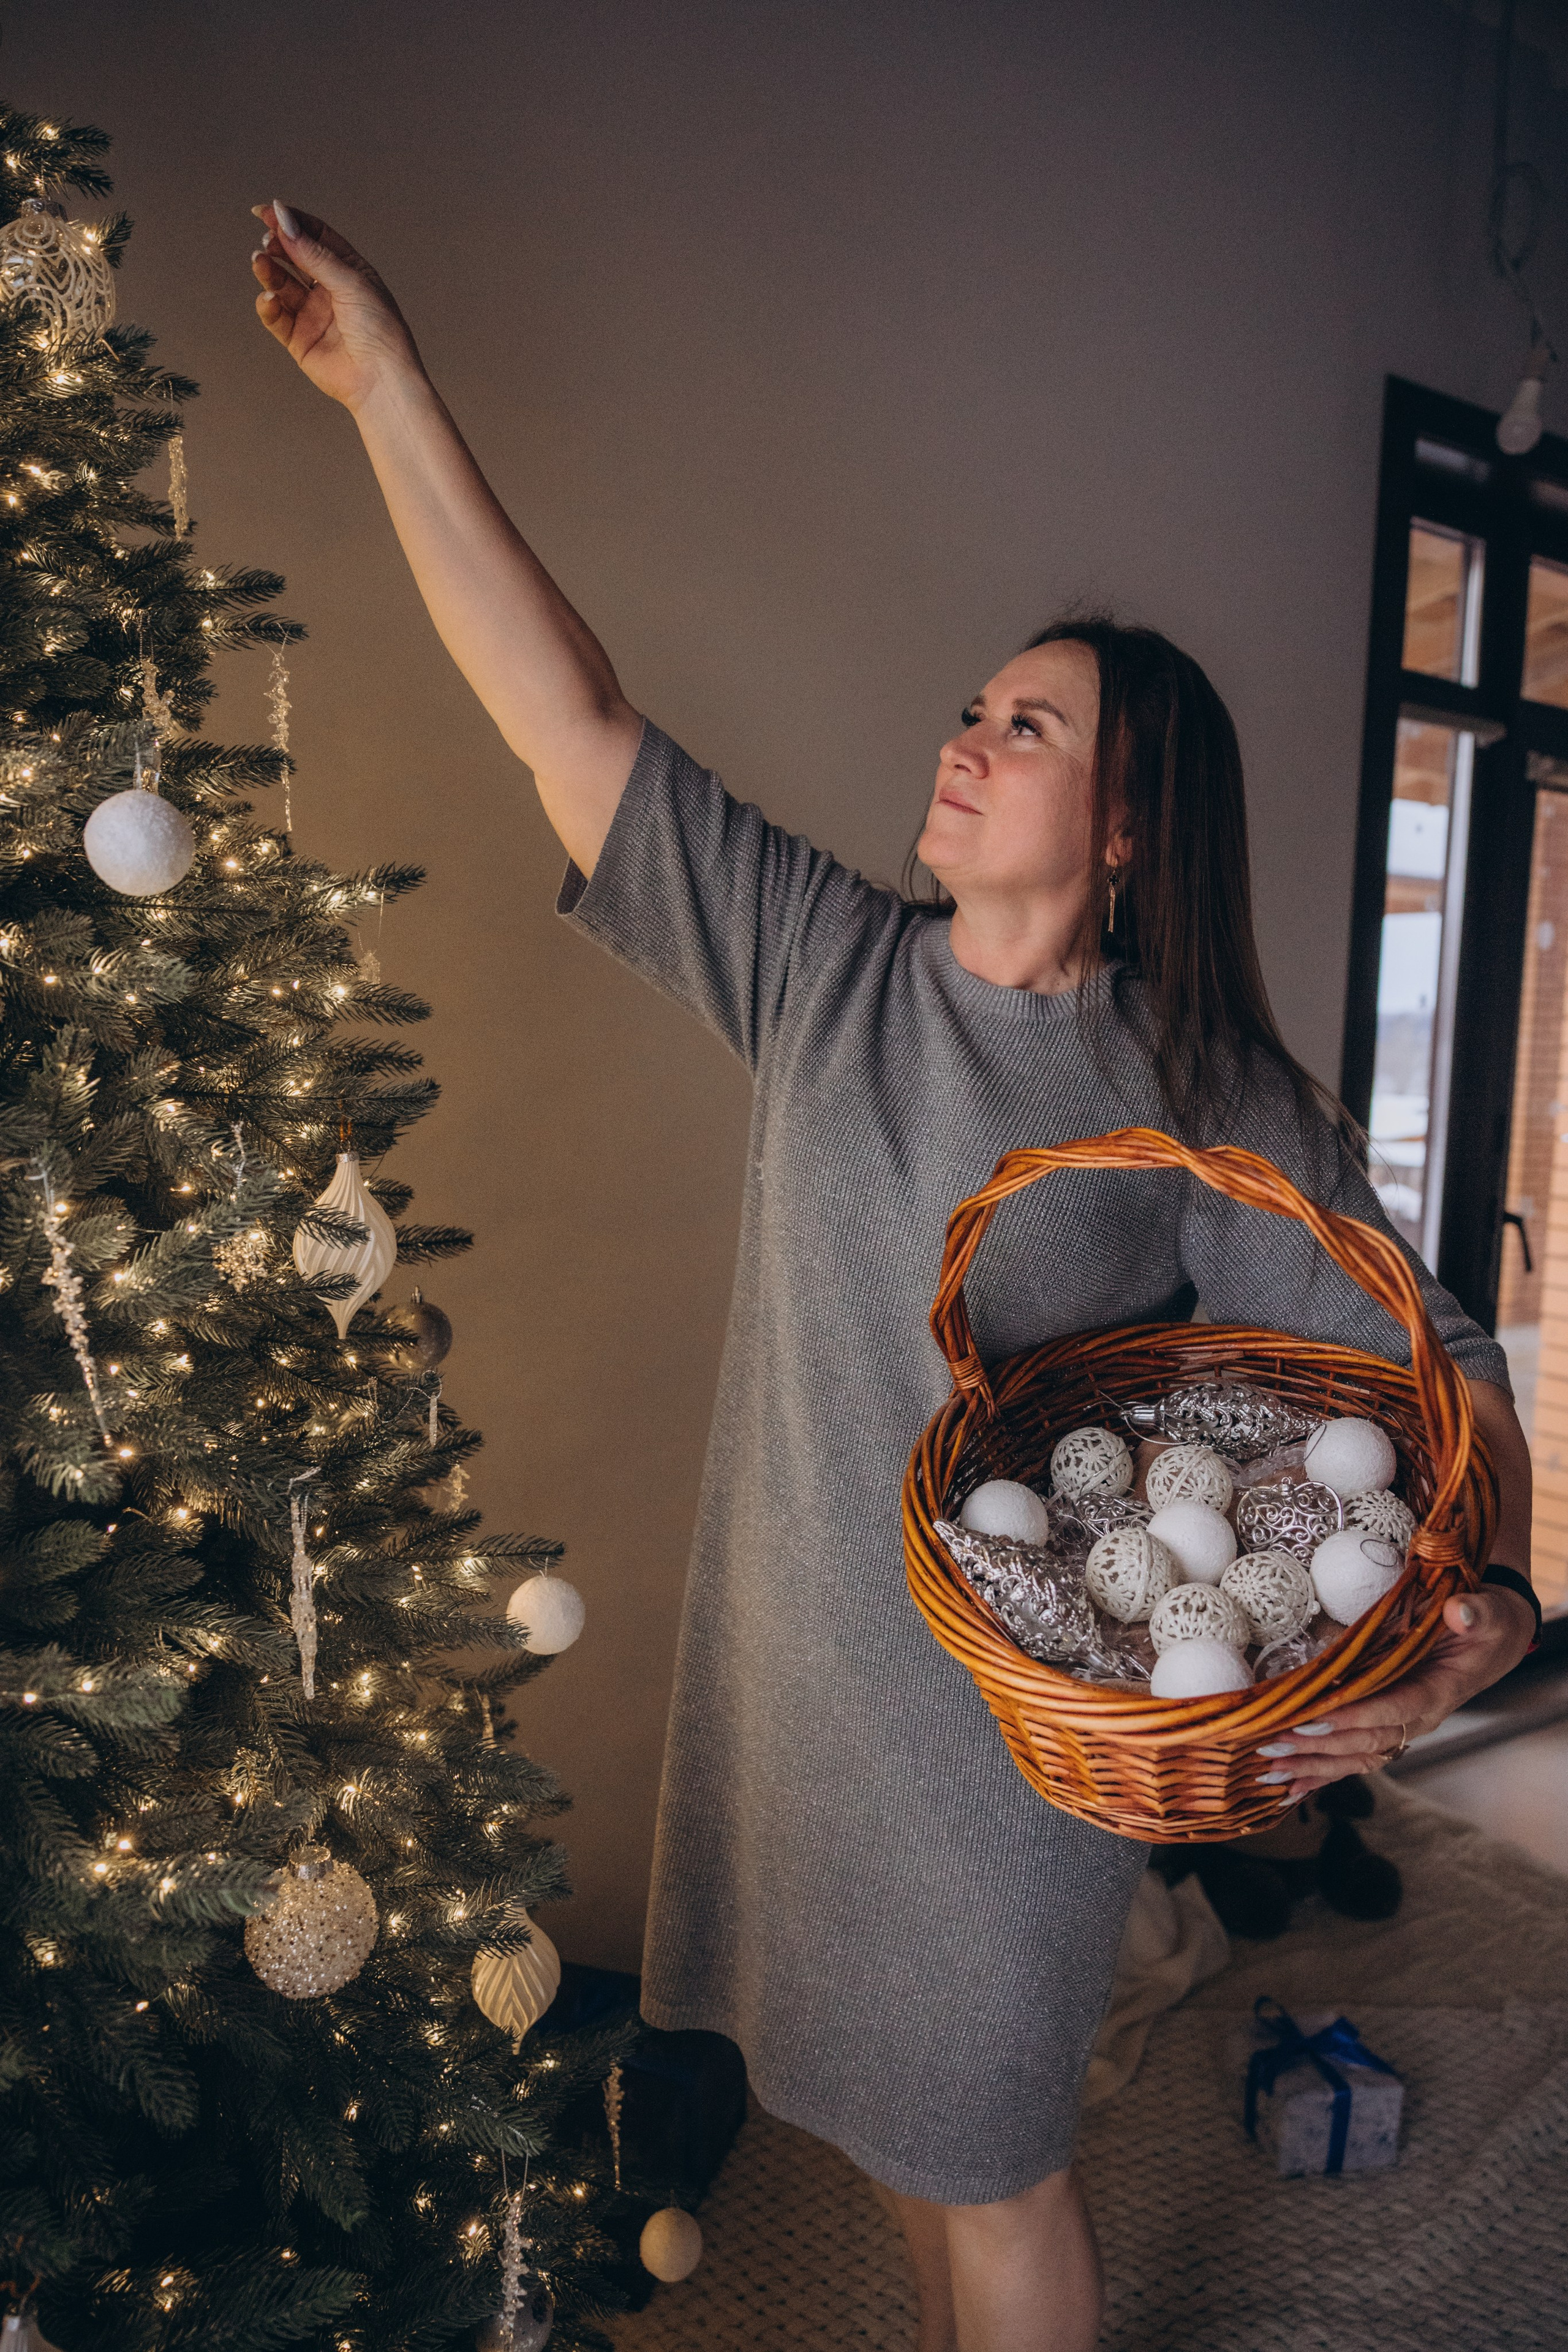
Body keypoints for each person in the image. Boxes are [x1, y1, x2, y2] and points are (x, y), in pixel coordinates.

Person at [248, 203, 1540, 2352]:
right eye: (974, 706)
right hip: (793, 1707)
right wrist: (387, 382)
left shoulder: (1190, 1085)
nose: (966, 736)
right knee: (899, 2160)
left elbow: (1436, 1355)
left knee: (999, 2167)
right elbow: (560, 705)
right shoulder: (829, 970)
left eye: (1026, 727)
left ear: (1126, 826)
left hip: (1004, 1766)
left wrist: (1476, 1610)